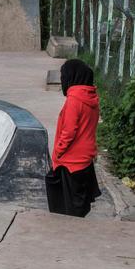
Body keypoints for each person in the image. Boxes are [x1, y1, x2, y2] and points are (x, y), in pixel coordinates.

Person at [46, 59, 101, 217]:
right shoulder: (91, 98)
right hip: (85, 160)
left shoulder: (74, 100)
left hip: (70, 160)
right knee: (80, 201)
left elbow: (69, 131)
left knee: (67, 206)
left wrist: (57, 152)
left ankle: (72, 234)